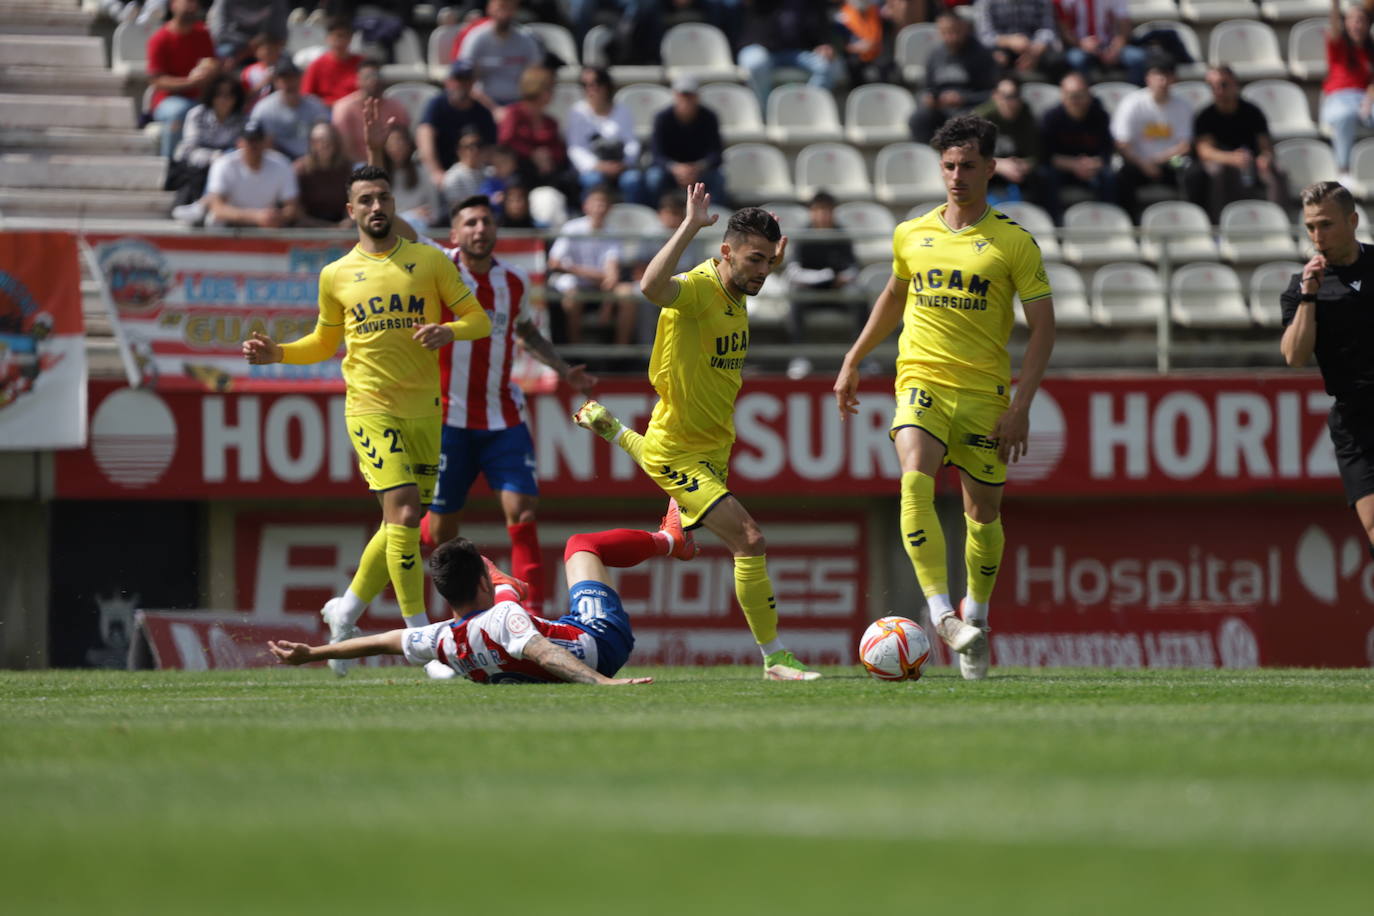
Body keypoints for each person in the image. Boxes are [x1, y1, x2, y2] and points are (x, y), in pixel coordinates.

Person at [242, 163, 491, 680]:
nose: (376, 207)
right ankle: (422, 642)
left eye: (383, 197)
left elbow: (479, 319)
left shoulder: (428, 262)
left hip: (425, 409)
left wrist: (449, 331)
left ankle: (347, 609)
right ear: (350, 211)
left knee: (399, 524)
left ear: (392, 204)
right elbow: (324, 343)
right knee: (403, 516)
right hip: (369, 407)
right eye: (366, 200)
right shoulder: (335, 274)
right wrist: (278, 354)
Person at [833, 114, 1057, 681]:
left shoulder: (1014, 242)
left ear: (990, 168)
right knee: (914, 476)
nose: (957, 176)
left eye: (968, 166)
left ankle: (974, 615)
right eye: (949, 166)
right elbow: (892, 294)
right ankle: (941, 616)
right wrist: (854, 358)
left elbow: (1045, 329)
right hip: (920, 382)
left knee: (982, 514)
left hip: (984, 394)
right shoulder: (912, 233)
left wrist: (1021, 405)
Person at [573, 185, 822, 682]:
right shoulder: (699, 288)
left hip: (713, 446)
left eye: (770, 261)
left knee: (678, 536)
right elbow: (649, 288)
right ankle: (775, 657)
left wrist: (616, 431)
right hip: (679, 449)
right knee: (749, 539)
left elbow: (753, 267)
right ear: (725, 252)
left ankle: (672, 526)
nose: (763, 271)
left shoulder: (738, 286)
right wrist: (689, 226)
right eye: (755, 259)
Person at [418, 195, 597, 612]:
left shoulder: (514, 280)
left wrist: (564, 368)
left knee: (522, 511)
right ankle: (458, 611)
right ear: (455, 233)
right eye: (470, 222)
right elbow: (399, 230)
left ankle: (530, 616)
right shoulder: (437, 268)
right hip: (446, 418)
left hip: (503, 417)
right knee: (439, 533)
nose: (480, 229)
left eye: (486, 221)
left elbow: (527, 332)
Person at [268, 534, 663, 686]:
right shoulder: (504, 617)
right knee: (581, 545)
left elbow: (386, 641)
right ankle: (670, 538)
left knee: (513, 596)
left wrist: (313, 654)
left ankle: (503, 579)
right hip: (600, 637)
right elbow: (544, 652)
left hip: (548, 629)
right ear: (479, 586)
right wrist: (602, 683)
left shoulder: (443, 640)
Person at [1282, 181, 1374, 555]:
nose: (1317, 236)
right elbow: (1294, 356)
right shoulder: (1302, 288)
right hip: (1356, 421)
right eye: (1310, 227)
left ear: (1352, 220)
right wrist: (1309, 297)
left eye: (1326, 224)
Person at [1189, 65, 1287, 223]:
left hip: (1251, 163)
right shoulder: (1205, 116)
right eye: (1212, 87)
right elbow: (1205, 151)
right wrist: (1231, 158)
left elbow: (1265, 146)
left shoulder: (1252, 112)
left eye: (1223, 84)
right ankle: (1219, 225)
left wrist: (1265, 158)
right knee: (1216, 171)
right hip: (1222, 163)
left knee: (1277, 171)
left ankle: (1280, 223)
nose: (1218, 90)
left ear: (1235, 84)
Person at [783, 190, 862, 380]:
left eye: (827, 210)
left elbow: (854, 268)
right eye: (818, 210)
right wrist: (825, 277)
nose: (823, 215)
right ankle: (799, 356)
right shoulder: (803, 235)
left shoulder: (841, 234)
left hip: (838, 291)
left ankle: (861, 357)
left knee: (859, 296)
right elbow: (794, 272)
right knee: (795, 297)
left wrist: (842, 278)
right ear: (811, 212)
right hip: (811, 291)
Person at [546, 184, 632, 344]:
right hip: (575, 286)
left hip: (601, 287)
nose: (600, 208)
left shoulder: (613, 233)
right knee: (573, 297)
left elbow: (611, 276)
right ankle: (576, 353)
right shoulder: (571, 228)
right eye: (596, 202)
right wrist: (594, 275)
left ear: (609, 208)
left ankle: (621, 352)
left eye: (604, 203)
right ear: (586, 206)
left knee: (627, 293)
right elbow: (554, 263)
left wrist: (607, 306)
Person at [1112, 56, 1192, 221]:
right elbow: (1122, 143)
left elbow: (1184, 145)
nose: (1162, 81)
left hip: (1170, 162)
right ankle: (1130, 222)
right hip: (1137, 162)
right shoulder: (1132, 103)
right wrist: (1144, 163)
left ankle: (1190, 219)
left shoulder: (1183, 106)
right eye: (1157, 75)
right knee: (1122, 175)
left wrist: (1157, 160)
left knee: (1193, 172)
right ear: (1147, 78)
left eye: (1167, 76)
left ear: (1173, 79)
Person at [147, 0, 221, 160]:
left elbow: (213, 62)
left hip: (199, 99)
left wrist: (212, 70)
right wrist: (190, 82)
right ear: (173, 5)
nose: (191, 6)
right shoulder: (159, 39)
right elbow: (157, 80)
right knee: (181, 111)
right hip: (167, 101)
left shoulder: (203, 34)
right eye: (186, 2)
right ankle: (171, 167)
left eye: (194, 3)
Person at [909, 10, 998, 144]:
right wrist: (929, 98)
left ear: (965, 29)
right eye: (946, 32)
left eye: (956, 31)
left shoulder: (981, 54)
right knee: (919, 118)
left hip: (970, 108)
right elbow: (925, 88)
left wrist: (964, 98)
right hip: (941, 108)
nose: (952, 37)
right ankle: (928, 156)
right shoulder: (935, 55)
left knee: (968, 122)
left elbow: (993, 94)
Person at [735, 0, 842, 110]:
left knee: (827, 65)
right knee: (756, 64)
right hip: (760, 47)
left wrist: (824, 43)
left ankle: (805, 111)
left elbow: (820, 21)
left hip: (797, 51)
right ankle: (764, 114)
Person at [1039, 71, 1114, 222]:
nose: (1076, 100)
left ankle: (1109, 221)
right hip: (1063, 169)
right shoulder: (1051, 118)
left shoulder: (1100, 116)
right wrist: (1074, 165)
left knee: (1109, 177)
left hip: (1092, 167)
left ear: (1089, 95)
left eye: (1080, 95)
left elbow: (1107, 152)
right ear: (1063, 96)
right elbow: (1046, 155)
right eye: (1071, 96)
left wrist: (1093, 164)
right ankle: (1055, 223)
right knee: (1045, 176)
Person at [566, 67, 644, 205]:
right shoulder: (577, 112)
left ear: (606, 85)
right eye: (585, 85)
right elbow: (576, 148)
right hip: (593, 169)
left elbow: (631, 142)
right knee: (593, 180)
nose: (591, 89)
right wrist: (597, 166)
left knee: (632, 179)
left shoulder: (623, 111)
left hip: (621, 166)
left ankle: (631, 218)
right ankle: (593, 221)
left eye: (596, 83)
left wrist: (624, 163)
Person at [166, 74, 246, 209]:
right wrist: (216, 157)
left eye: (230, 95)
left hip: (228, 167)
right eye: (219, 94)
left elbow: (242, 150)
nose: (224, 100)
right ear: (212, 96)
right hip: (195, 166)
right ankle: (203, 206)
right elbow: (191, 149)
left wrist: (224, 159)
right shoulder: (197, 114)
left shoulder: (243, 121)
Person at [202, 118, 300, 227]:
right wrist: (255, 216)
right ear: (239, 143)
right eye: (249, 141)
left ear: (265, 143)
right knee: (213, 220)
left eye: (257, 140)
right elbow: (216, 207)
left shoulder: (281, 164)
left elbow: (292, 207)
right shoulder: (224, 164)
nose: (254, 146)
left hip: (266, 226)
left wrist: (278, 216)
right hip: (230, 224)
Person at [646, 75, 726, 205]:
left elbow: (716, 153)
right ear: (675, 96)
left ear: (697, 97)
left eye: (690, 95)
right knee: (654, 177)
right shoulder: (662, 118)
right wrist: (675, 168)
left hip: (700, 171)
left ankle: (714, 217)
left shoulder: (710, 117)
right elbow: (657, 154)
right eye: (682, 94)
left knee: (718, 178)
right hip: (670, 171)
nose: (686, 99)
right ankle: (660, 215)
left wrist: (698, 167)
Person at [497, 67, 575, 199]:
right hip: (520, 174)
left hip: (547, 175)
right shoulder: (514, 113)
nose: (553, 93)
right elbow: (506, 140)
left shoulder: (550, 121)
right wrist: (533, 154)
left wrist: (547, 157)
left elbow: (560, 150)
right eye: (549, 89)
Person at [418, 60, 498, 187]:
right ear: (449, 82)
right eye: (458, 79)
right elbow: (425, 137)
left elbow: (491, 148)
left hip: (472, 173)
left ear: (473, 83)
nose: (462, 85)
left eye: (467, 80)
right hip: (442, 170)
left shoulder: (482, 112)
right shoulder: (437, 105)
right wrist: (436, 172)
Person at [1320, 0, 1374, 183]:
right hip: (1339, 98)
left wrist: (1368, 101)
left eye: (1361, 20)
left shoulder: (1370, 51)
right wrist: (1335, 4)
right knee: (1346, 115)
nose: (1357, 24)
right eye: (1352, 20)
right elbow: (1334, 23)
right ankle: (1343, 168)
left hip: (1364, 99)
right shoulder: (1338, 46)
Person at [459, 0, 546, 111]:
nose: (505, 13)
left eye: (510, 8)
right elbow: (464, 79)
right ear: (490, 8)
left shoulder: (526, 39)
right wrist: (494, 109)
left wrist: (518, 110)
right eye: (501, 7)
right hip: (482, 106)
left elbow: (536, 76)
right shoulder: (476, 38)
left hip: (519, 105)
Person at [972, 77, 1041, 205]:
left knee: (1043, 176)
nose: (1011, 102)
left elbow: (1035, 155)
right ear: (995, 96)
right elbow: (969, 155)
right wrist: (998, 165)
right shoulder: (982, 117)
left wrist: (1024, 164)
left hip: (1018, 171)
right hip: (990, 171)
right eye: (1006, 96)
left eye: (1015, 96)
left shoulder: (1026, 115)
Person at [250, 58, 330, 161]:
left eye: (293, 78)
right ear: (276, 82)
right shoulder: (264, 109)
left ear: (300, 79)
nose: (289, 83)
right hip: (278, 162)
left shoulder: (315, 105)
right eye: (284, 79)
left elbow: (327, 134)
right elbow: (260, 142)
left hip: (312, 161)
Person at [333, 59, 410, 164]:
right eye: (368, 77)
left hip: (391, 166)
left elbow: (405, 143)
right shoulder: (344, 108)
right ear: (358, 80)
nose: (374, 80)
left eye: (377, 76)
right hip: (357, 168)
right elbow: (344, 151)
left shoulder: (396, 106)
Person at [1056, 0, 1148, 85]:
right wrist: (1081, 44)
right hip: (1079, 46)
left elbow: (1124, 25)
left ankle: (1133, 95)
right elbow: (1064, 30)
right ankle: (1086, 98)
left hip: (1110, 45)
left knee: (1137, 58)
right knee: (1076, 59)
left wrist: (1115, 49)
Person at [975, 0, 1059, 75]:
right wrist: (1009, 41)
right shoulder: (985, 2)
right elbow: (984, 36)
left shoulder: (1042, 1)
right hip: (1000, 48)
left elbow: (1048, 29)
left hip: (1034, 47)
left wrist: (1034, 50)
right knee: (996, 59)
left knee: (1056, 58)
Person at [294, 121, 353, 227]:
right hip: (309, 226)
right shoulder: (300, 170)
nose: (324, 144)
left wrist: (348, 221)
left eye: (329, 139)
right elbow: (296, 210)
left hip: (341, 225)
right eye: (318, 141)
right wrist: (325, 227)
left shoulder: (347, 169)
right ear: (311, 144)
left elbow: (352, 200)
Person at [301, 16, 363, 106]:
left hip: (356, 111)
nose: (340, 41)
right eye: (336, 36)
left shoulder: (361, 64)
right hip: (325, 113)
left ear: (351, 38)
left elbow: (371, 91)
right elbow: (306, 97)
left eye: (344, 36)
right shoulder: (316, 66)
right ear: (328, 38)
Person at [206, 0, 286, 61]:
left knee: (284, 60)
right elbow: (219, 32)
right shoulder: (224, 2)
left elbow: (280, 33)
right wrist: (248, 44)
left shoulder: (276, 2)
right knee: (224, 52)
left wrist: (260, 44)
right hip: (235, 44)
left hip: (263, 43)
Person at [442, 128, 488, 208]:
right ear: (459, 150)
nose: (475, 150)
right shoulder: (453, 177)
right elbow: (457, 208)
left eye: (478, 145)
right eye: (469, 146)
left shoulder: (489, 172)